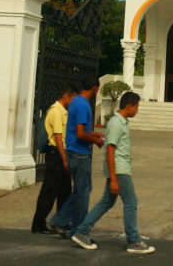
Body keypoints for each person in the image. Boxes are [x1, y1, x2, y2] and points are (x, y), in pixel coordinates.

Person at [70, 91, 155, 254]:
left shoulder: (121, 122)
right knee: (131, 203)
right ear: (129, 106)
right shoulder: (116, 123)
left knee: (106, 202)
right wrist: (114, 178)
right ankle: (133, 240)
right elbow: (110, 150)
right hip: (119, 169)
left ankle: (82, 232)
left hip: (118, 168)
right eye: (136, 107)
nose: (137, 110)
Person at [48, 76, 105, 239]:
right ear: (94, 88)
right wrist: (95, 141)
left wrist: (94, 134)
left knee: (82, 191)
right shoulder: (82, 105)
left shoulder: (76, 102)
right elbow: (80, 134)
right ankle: (78, 231)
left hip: (75, 151)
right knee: (83, 193)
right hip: (79, 154)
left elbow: (79, 129)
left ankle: (61, 221)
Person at [32, 84, 76, 234]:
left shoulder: (63, 111)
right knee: (49, 191)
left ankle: (61, 222)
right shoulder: (56, 111)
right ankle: (38, 224)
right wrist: (64, 159)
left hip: (61, 153)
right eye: (72, 98)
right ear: (66, 96)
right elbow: (58, 136)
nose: (73, 102)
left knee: (65, 190)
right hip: (56, 154)